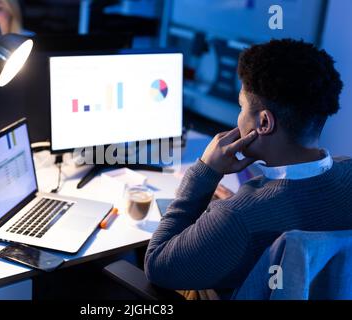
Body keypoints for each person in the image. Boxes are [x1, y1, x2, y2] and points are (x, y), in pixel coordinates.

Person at [144, 39, 351, 299]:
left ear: (263, 122)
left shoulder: (238, 218)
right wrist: (238, 211)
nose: (239, 118)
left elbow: (157, 265)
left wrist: (205, 172)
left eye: (241, 106)